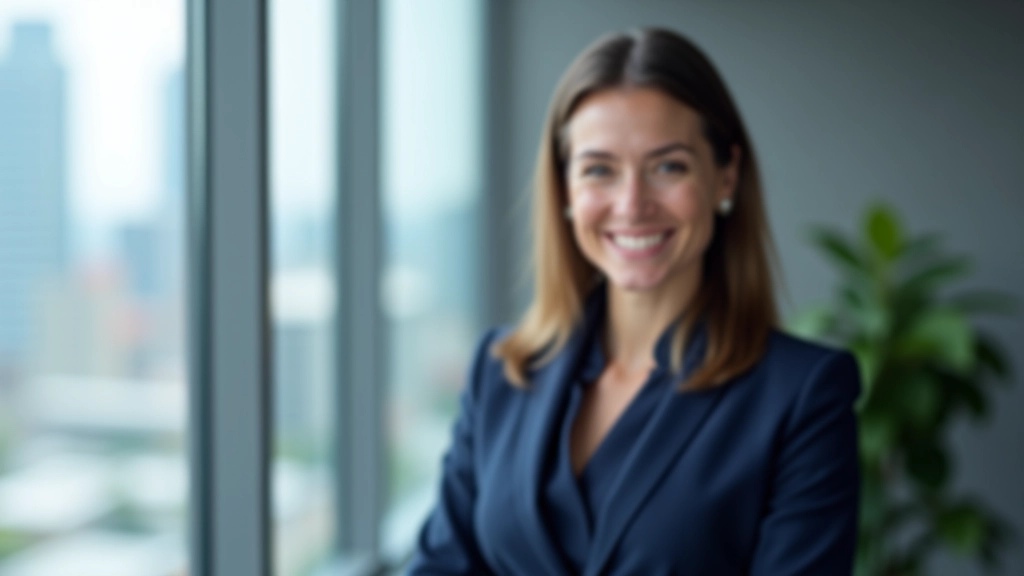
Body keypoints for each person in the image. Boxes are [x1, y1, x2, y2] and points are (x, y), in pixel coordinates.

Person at [408, 27, 860, 576]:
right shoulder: (500, 372)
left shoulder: (802, 396)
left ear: (726, 176)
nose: (632, 204)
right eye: (599, 170)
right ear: (566, 190)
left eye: (668, 167)